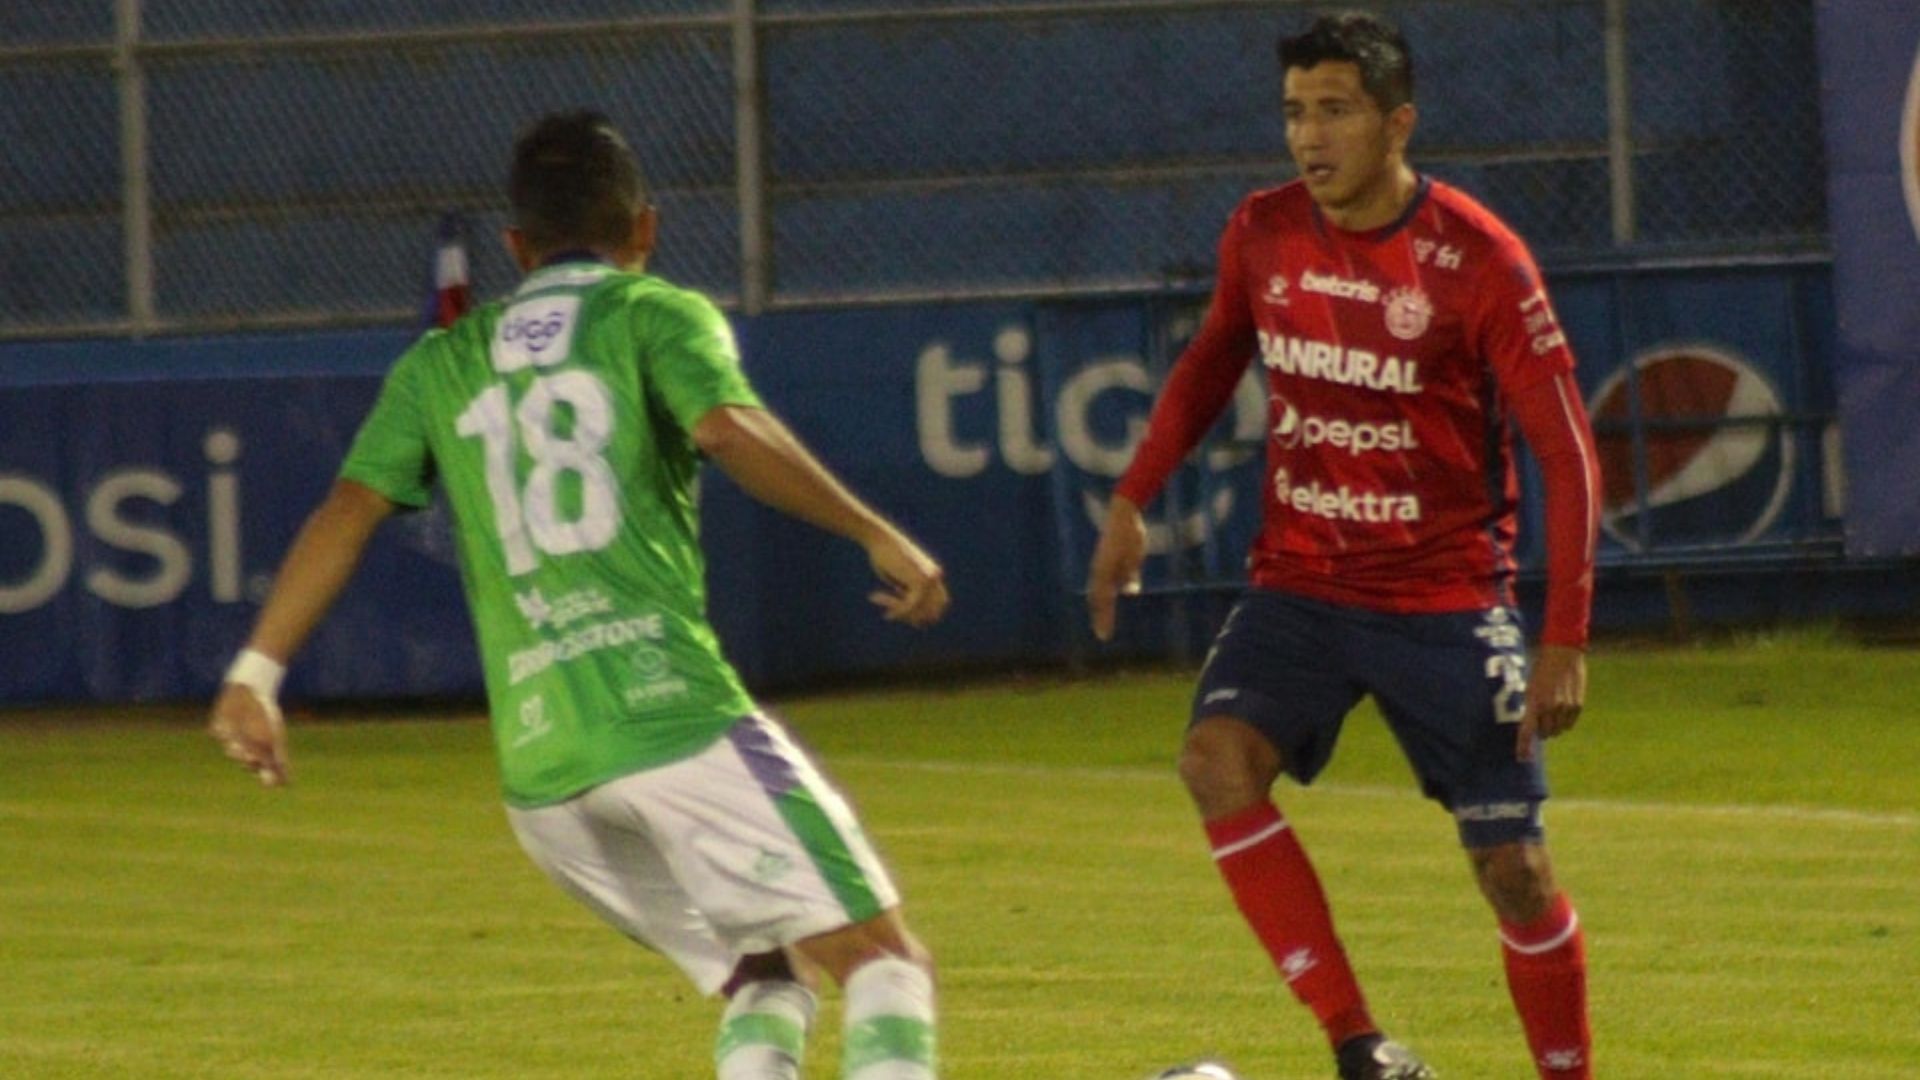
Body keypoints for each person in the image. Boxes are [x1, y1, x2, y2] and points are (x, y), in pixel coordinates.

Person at [209, 110, 947, 1080]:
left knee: (766, 976)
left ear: (516, 247)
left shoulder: (441, 361)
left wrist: (257, 673)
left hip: (543, 769)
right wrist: (872, 530)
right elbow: (727, 430)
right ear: (645, 228)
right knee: (885, 961)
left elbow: (347, 510)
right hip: (669, 720)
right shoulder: (653, 315)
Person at [1086, 12, 1599, 1080]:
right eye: (1292, 113)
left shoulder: (1478, 260)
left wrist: (1563, 635)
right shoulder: (1263, 231)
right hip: (1302, 587)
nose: (1308, 137)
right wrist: (1134, 497)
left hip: (1447, 598)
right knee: (1215, 762)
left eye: (1334, 111)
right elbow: (1209, 362)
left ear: (1396, 122)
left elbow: (1569, 451)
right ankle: (1360, 1046)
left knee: (1514, 869)